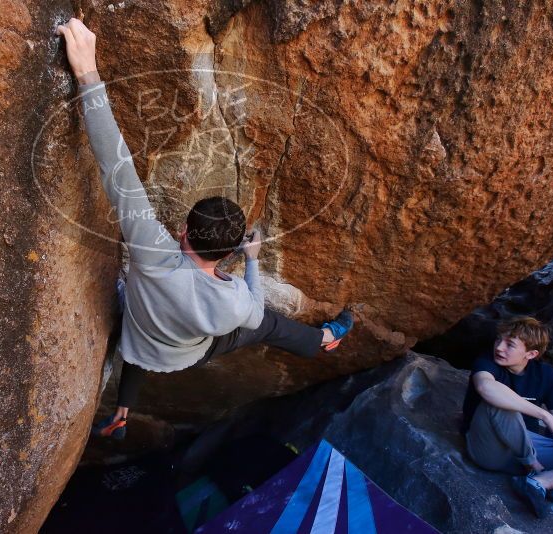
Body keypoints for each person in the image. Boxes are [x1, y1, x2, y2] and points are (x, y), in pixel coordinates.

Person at [55, 18, 354, 440]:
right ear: (231, 250)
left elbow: (115, 165)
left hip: (142, 331)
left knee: (142, 325)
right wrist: (251, 263)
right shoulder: (233, 304)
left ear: (182, 232)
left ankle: (121, 411)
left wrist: (87, 71)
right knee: (267, 324)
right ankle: (323, 339)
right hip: (186, 352)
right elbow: (254, 307)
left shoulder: (151, 250)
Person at [461, 316, 553, 517]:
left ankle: (540, 483)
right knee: (499, 401)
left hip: (529, 443)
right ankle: (535, 469)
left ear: (531, 354)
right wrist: (546, 417)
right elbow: (486, 387)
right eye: (499, 340)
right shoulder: (487, 361)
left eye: (510, 344)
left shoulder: (546, 375)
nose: (499, 347)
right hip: (490, 448)